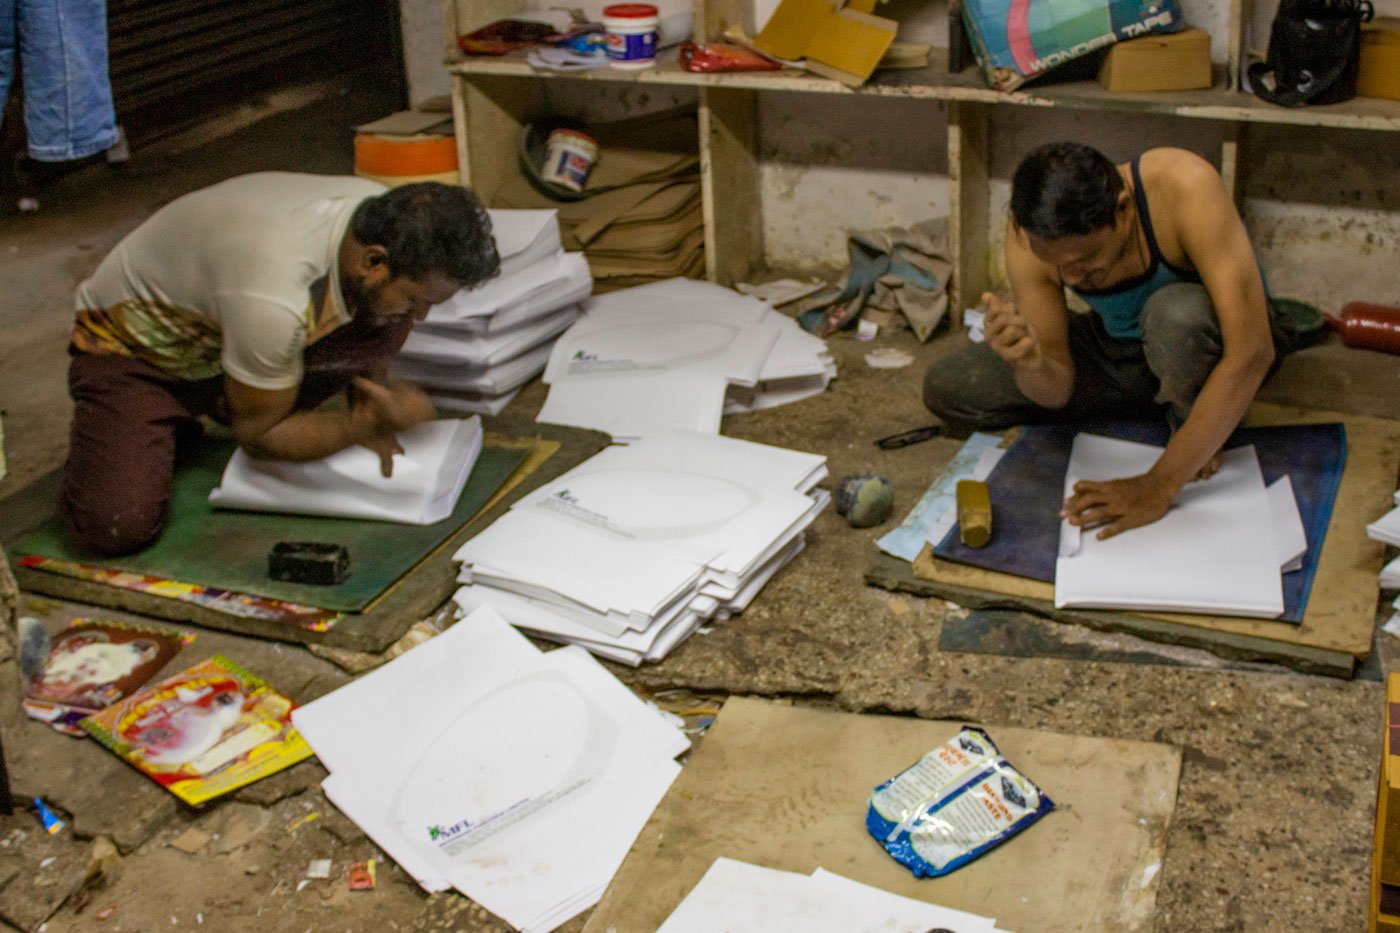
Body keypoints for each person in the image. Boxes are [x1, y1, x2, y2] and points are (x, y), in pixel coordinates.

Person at [59, 172, 500, 556]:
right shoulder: (274, 296)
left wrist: (373, 394)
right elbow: (258, 436)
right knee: (118, 522)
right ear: (374, 262)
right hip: (142, 351)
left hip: (232, 326)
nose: (422, 317)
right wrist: (357, 429)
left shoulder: (377, 218)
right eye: (417, 299)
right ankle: (168, 413)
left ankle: (234, 394)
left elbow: (377, 322)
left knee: (384, 317)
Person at [923, 142, 1314, 540]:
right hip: (1124, 346)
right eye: (1059, 266)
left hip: (1211, 344)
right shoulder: (1028, 237)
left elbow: (1252, 352)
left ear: (1123, 210)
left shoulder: (1184, 186)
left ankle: (1191, 420)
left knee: (1175, 316)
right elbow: (1056, 387)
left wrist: (1158, 485)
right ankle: (1171, 408)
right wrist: (1032, 363)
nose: (1072, 279)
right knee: (951, 386)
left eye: (1086, 261)